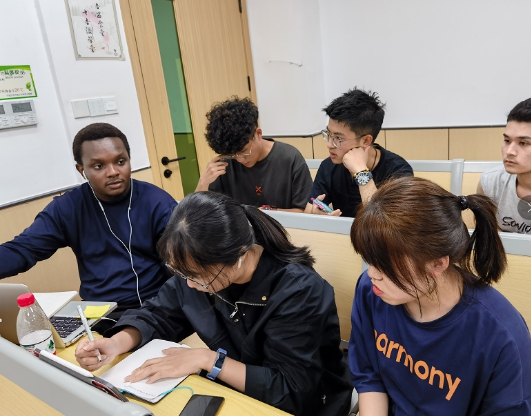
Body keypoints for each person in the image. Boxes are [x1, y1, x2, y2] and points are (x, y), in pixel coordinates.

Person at [75, 191, 353, 416]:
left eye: (196, 277)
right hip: (238, 392)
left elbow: (291, 389)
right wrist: (117, 343)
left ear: (238, 256)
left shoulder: (299, 291)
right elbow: (159, 313)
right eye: (181, 274)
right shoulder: (199, 270)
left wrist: (208, 360)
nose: (189, 284)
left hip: (308, 403)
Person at [349, 177, 531, 415]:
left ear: (438, 264)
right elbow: (369, 376)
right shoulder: (371, 291)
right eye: (370, 260)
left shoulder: (499, 334)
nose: (372, 274)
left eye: (385, 265)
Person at [0, 123, 177, 332]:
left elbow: (180, 264)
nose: (113, 172)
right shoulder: (68, 207)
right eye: (99, 166)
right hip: (95, 312)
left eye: (120, 161)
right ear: (81, 170)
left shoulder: (157, 202)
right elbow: (23, 249)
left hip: (152, 307)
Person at [305, 88, 413, 217]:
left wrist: (361, 172)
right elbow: (309, 209)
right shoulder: (328, 166)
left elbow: (382, 222)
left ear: (366, 141)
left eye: (338, 138)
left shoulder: (398, 171)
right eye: (328, 134)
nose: (329, 145)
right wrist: (316, 214)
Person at [195, 97, 313, 212]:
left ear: (258, 134)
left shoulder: (290, 158)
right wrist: (203, 183)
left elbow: (303, 211)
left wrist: (265, 213)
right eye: (233, 155)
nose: (240, 160)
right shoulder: (224, 164)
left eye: (244, 151)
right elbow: (197, 213)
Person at [477, 96, 531, 234]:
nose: (509, 151)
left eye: (523, 143)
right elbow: (488, 237)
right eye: (507, 140)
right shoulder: (490, 184)